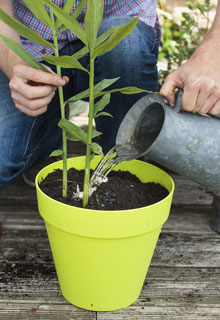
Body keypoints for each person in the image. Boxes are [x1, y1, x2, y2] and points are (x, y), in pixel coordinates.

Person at [0, 0, 219, 232]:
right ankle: (46, 139)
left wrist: (212, 51)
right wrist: (14, 63)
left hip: (120, 32)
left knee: (125, 47)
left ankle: (121, 173)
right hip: (32, 41)